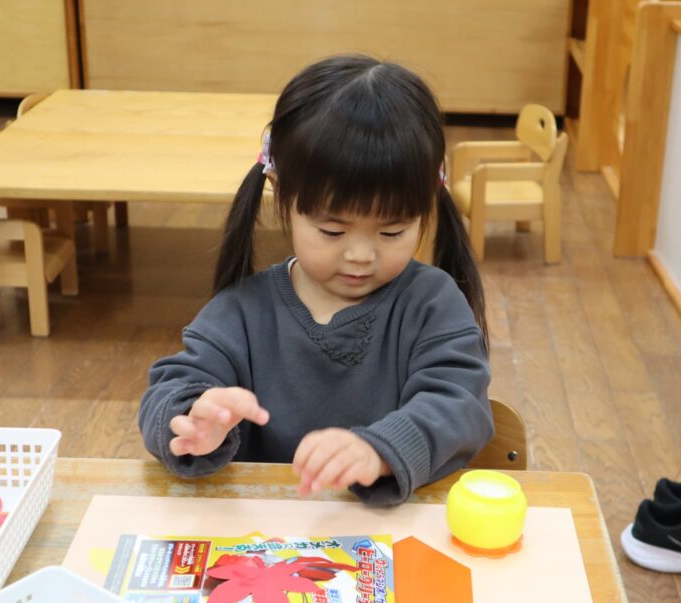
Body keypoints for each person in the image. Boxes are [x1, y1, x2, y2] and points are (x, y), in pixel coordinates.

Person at [139, 54, 493, 506]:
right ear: (279, 191)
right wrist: (192, 418)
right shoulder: (243, 310)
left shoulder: (432, 304)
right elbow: (171, 388)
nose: (361, 255)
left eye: (392, 232)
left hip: (389, 533)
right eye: (332, 231)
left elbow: (460, 405)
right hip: (262, 530)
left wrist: (381, 451)